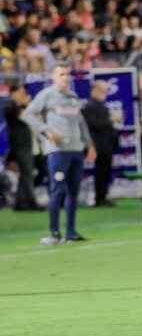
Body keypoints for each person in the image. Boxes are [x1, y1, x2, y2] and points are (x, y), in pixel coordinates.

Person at [23, 62, 96, 243]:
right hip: (57, 151)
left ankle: (71, 232)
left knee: (73, 193)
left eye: (67, 74)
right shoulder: (47, 95)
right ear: (53, 77)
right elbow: (28, 114)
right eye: (61, 74)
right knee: (56, 192)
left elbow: (81, 123)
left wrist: (90, 145)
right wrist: (46, 130)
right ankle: (55, 232)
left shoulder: (73, 97)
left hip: (76, 150)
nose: (65, 78)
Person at [82, 80, 121, 207]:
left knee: (106, 171)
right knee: (100, 171)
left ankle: (103, 196)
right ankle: (99, 198)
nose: (104, 94)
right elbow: (92, 124)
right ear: (95, 91)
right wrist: (110, 120)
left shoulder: (101, 105)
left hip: (106, 143)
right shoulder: (90, 106)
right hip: (99, 144)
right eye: (102, 91)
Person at [3, 84, 41, 211]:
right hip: (19, 145)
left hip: (26, 144)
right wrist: (28, 106)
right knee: (27, 173)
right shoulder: (10, 106)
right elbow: (27, 118)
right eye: (21, 92)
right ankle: (31, 202)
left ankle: (20, 203)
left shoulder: (20, 107)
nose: (23, 95)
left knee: (26, 174)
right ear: (13, 93)